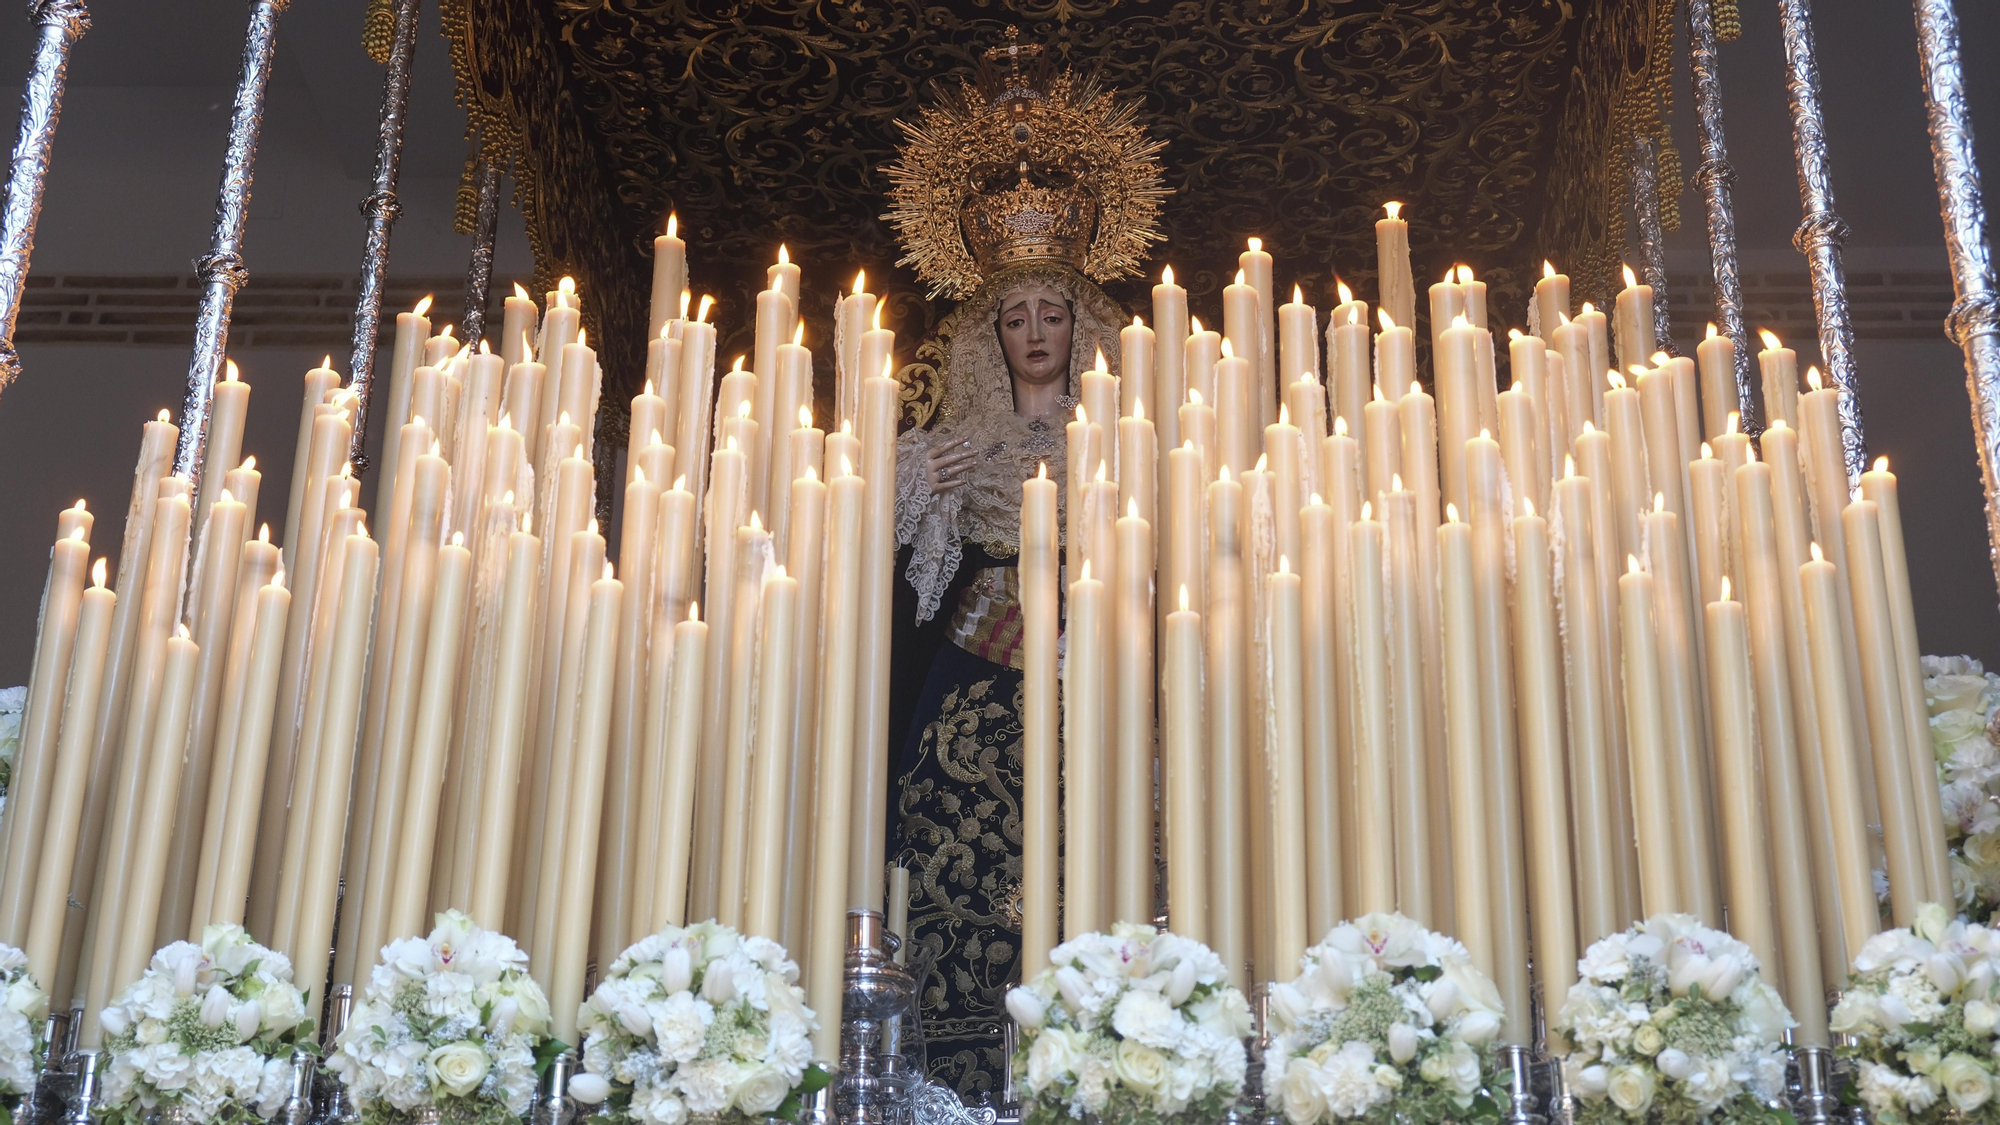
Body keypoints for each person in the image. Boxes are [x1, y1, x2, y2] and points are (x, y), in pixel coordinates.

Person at [887, 263, 1124, 1095]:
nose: (1033, 332)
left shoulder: (1125, 437)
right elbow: (873, 543)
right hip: (969, 676)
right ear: (994, 336)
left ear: (1079, 330)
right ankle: (950, 1063)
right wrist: (913, 483)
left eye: (1052, 314)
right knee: (943, 837)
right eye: (1016, 316)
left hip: (1088, 670)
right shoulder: (953, 442)